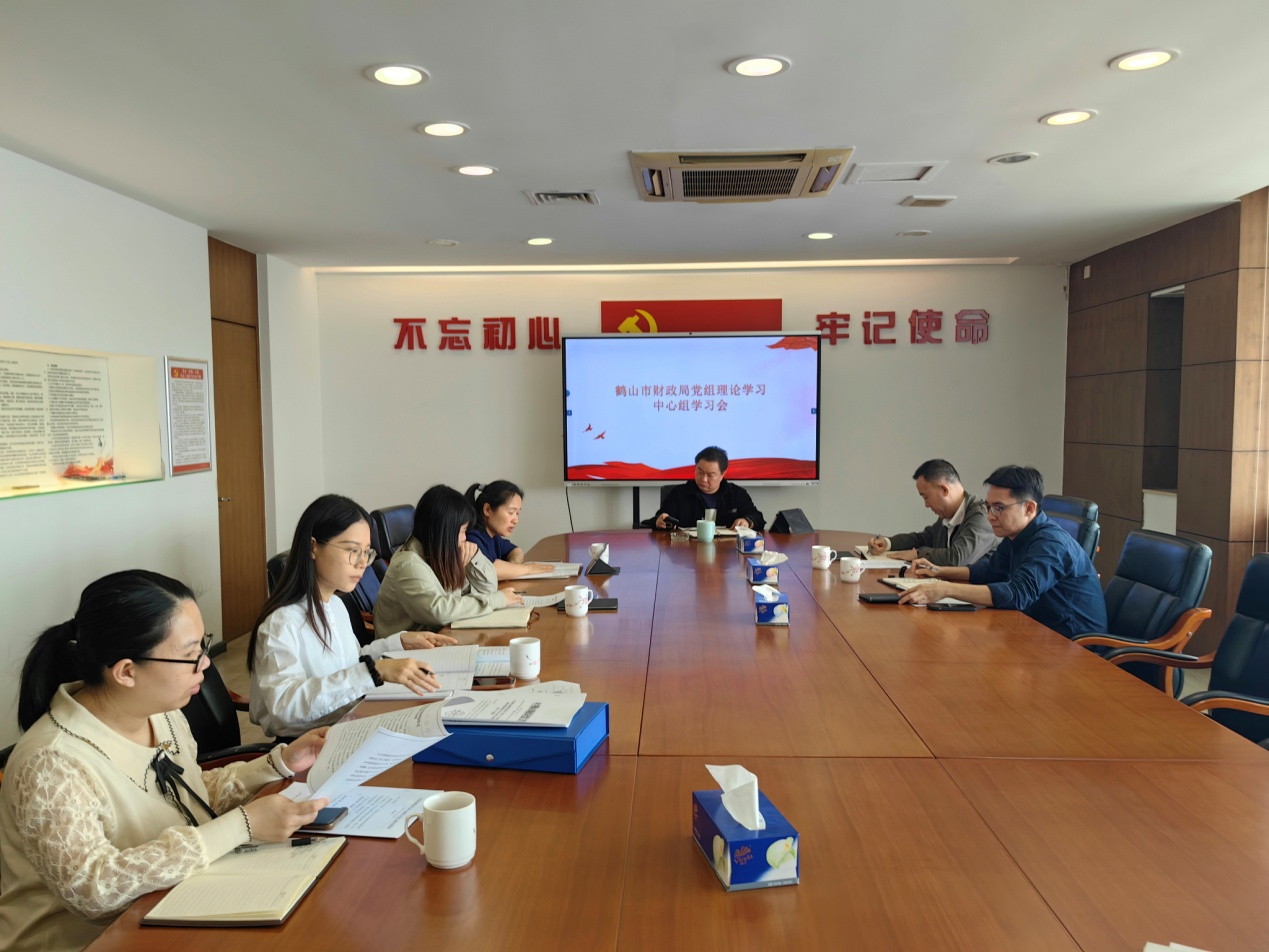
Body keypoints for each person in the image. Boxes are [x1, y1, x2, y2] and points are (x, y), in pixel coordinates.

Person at [0, 570, 330, 952]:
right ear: (127, 671)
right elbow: (93, 889)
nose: (206, 665)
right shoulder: (50, 762)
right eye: (190, 655)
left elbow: (189, 796)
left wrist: (277, 763)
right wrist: (242, 826)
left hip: (174, 904)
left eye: (203, 646)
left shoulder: (162, 713)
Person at [249, 494, 456, 740]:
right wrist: (373, 671)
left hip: (350, 724)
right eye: (352, 550)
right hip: (309, 744)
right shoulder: (282, 622)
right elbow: (284, 707)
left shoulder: (335, 604)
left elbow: (349, 662)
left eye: (366, 552)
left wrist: (398, 643)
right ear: (313, 547)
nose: (362, 563)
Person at [899, 465, 1108, 639]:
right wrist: (939, 571)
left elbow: (1016, 594)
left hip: (1075, 646)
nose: (990, 516)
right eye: (988, 507)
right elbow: (990, 572)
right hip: (1037, 633)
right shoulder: (1015, 535)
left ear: (1029, 508)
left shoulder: (1051, 544)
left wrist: (944, 589)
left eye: (999, 508)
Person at [375, 484, 524, 633]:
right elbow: (439, 611)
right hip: (408, 646)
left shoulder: (440, 554)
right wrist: (497, 600)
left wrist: (475, 557)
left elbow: (488, 588)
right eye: (462, 531)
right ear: (444, 531)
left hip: (441, 637)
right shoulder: (409, 565)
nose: (465, 538)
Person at [868, 459, 996, 566]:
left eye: (926, 497)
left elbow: (957, 558)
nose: (926, 505)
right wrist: (888, 543)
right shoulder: (948, 515)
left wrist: (918, 554)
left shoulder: (982, 516)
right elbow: (922, 539)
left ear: (944, 490)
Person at [654, 446, 765, 530]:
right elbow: (658, 519)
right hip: (688, 549)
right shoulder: (680, 493)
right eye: (700, 472)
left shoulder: (736, 493)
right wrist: (659, 521)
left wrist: (747, 521)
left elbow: (758, 518)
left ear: (722, 474)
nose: (703, 479)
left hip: (726, 550)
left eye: (710, 475)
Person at [464, 481, 554, 580]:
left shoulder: (494, 537)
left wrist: (513, 565)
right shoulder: (471, 538)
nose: (516, 520)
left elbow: (516, 550)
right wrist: (528, 569)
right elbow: (490, 571)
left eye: (517, 513)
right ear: (487, 510)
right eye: (511, 512)